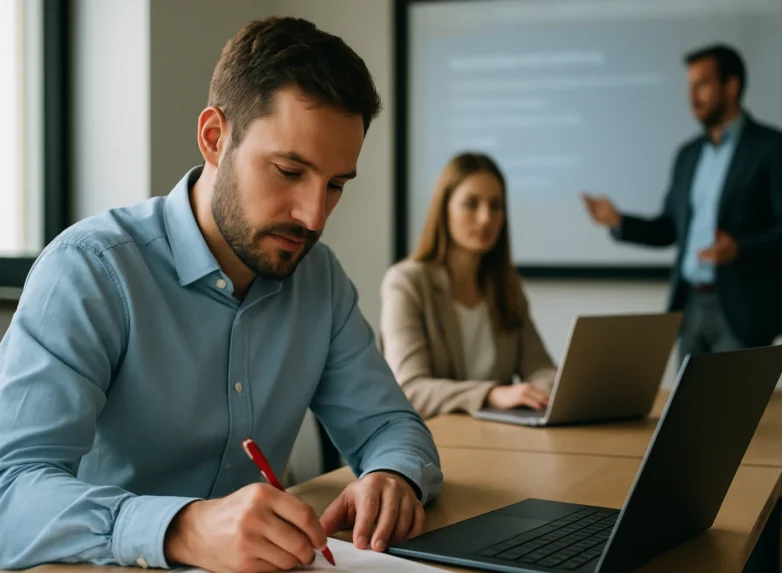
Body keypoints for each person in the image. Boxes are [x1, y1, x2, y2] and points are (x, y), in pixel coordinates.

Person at [0, 16, 442, 573]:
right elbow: (9, 493)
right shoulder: (89, 271)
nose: (313, 215)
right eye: (288, 171)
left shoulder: (319, 279)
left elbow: (391, 425)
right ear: (214, 138)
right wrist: (181, 528)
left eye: (334, 186)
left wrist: (392, 475)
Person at [582, 44, 782, 358]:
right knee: (686, 408)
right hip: (689, 304)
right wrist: (619, 222)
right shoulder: (688, 155)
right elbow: (669, 230)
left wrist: (740, 249)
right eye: (690, 86)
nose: (692, 97)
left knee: (734, 408)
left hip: (744, 310)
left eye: (702, 84)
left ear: (731, 86)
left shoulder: (773, 148)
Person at [380, 152, 557, 419]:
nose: (486, 218)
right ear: (444, 209)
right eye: (471, 204)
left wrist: (543, 391)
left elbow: (542, 369)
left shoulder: (506, 286)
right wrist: (491, 394)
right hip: (428, 441)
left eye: (496, 205)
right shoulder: (406, 282)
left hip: (496, 438)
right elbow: (410, 389)